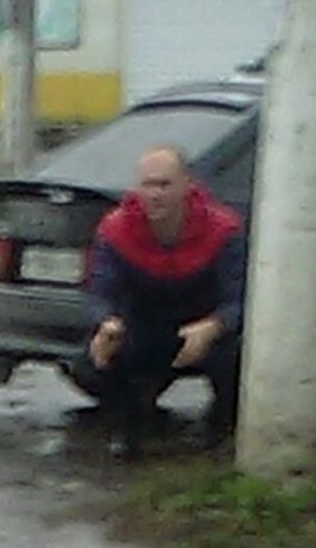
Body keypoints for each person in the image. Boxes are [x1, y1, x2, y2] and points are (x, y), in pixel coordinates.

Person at [84, 145, 245, 460]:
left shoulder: (223, 229)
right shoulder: (115, 229)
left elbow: (239, 298)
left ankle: (222, 431)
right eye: (147, 185)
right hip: (145, 326)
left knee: (241, 354)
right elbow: (99, 291)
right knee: (96, 356)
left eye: (165, 185)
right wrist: (106, 322)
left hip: (204, 326)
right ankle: (130, 430)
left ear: (188, 185)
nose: (154, 195)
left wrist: (213, 326)